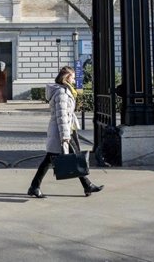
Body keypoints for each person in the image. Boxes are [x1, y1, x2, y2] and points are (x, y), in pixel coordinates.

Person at [28, 66, 104, 198]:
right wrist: (65, 136)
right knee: (63, 158)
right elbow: (61, 116)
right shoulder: (62, 93)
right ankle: (35, 187)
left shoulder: (66, 91)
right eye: (73, 77)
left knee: (69, 158)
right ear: (67, 77)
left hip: (67, 129)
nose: (74, 80)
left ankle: (87, 186)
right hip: (61, 131)